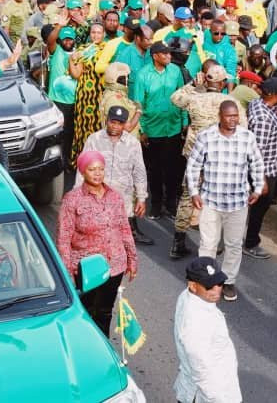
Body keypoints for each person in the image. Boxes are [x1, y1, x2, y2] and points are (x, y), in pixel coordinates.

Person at [186, 100, 265, 302]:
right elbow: (193, 166)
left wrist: (257, 188)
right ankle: (206, 280)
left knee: (234, 244)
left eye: (236, 115)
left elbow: (257, 163)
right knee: (208, 244)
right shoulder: (206, 136)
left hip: (238, 202)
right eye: (229, 116)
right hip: (211, 201)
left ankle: (228, 281)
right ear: (220, 116)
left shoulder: (247, 137)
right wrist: (194, 192)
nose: (233, 120)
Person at [56, 150, 137, 335]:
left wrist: (132, 259)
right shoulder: (72, 200)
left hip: (115, 265)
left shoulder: (115, 197)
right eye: (92, 169)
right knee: (85, 312)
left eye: (100, 169)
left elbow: (125, 229)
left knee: (105, 312)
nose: (97, 173)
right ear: (83, 171)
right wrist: (67, 272)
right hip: (86, 268)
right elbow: (63, 239)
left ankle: (103, 346)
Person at [170, 65, 242, 259]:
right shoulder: (230, 103)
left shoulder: (195, 98)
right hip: (219, 158)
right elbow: (243, 127)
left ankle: (178, 242)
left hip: (195, 155)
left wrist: (192, 84)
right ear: (222, 83)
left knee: (188, 196)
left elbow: (175, 98)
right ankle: (211, 243)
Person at [77, 106, 151, 245]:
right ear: (107, 120)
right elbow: (83, 168)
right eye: (113, 122)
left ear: (125, 124)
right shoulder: (94, 139)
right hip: (98, 197)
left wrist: (141, 198)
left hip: (123, 199)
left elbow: (139, 171)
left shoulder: (133, 143)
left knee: (122, 243)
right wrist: (78, 195)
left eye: (120, 123)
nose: (115, 126)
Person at [130, 42, 186, 221]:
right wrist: (142, 130)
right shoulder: (143, 75)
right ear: (155, 56)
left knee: (173, 169)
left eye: (169, 53)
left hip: (173, 127)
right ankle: (156, 204)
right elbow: (138, 103)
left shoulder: (175, 71)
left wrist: (184, 121)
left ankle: (171, 204)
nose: (169, 56)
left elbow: (182, 96)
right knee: (155, 170)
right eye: (165, 54)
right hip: (152, 129)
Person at [173, 257, 241, 403]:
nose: (217, 290)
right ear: (193, 285)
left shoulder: (192, 297)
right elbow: (200, 366)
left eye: (219, 283)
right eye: (209, 286)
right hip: (207, 393)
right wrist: (217, 398)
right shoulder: (194, 320)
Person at [244, 77, 277, 259]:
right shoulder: (263, 119)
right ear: (274, 95)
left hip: (272, 165)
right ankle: (251, 242)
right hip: (266, 169)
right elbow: (258, 151)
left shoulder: (258, 103)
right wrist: (260, 180)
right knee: (259, 207)